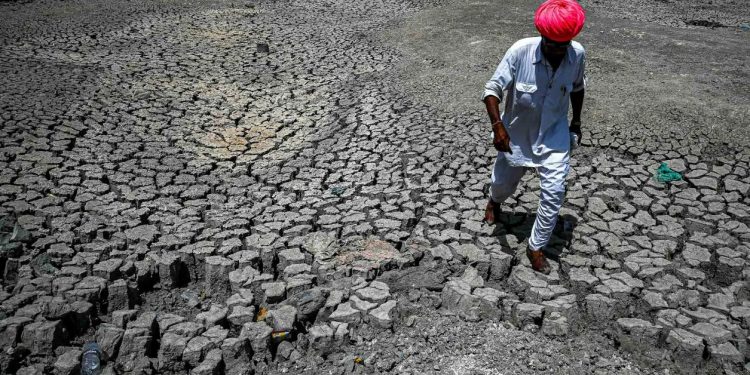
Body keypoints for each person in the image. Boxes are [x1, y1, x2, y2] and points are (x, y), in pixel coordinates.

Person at [482, 0, 586, 274]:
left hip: (554, 137)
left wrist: (576, 123)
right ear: (542, 35)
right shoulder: (520, 51)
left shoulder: (577, 55)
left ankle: (535, 246)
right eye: (550, 43)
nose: (555, 49)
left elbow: (577, 88)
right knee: (503, 185)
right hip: (516, 135)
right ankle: (494, 201)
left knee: (554, 193)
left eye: (561, 45)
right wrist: (498, 126)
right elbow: (492, 89)